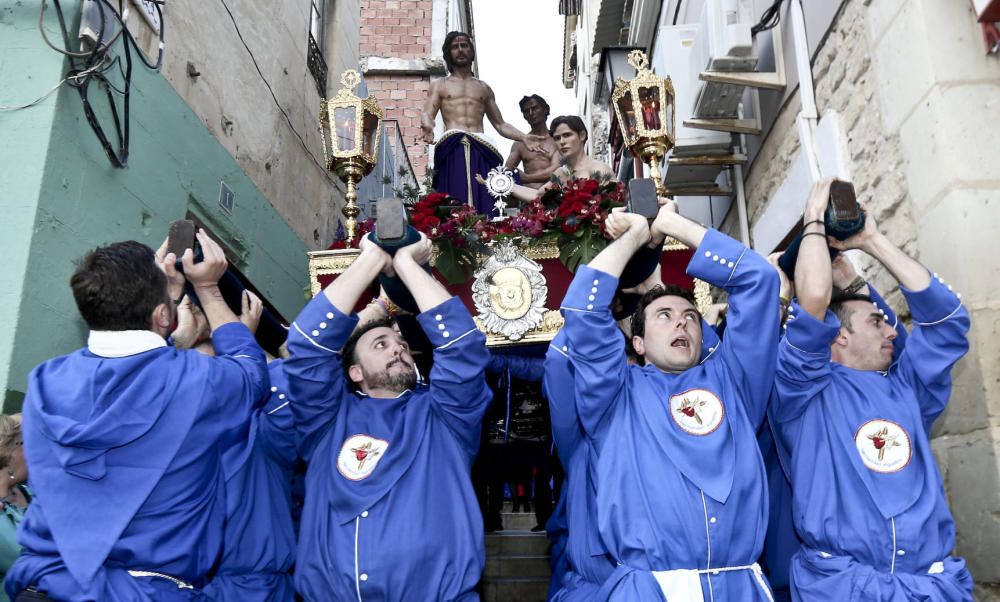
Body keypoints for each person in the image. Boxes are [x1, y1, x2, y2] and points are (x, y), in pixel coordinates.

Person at [5, 233, 269, 600]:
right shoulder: (198, 381)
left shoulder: (46, 381)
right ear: (163, 315)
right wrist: (207, 288)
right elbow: (250, 373)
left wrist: (167, 302)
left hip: (43, 585)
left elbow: (137, 372)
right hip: (142, 591)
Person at [555, 200, 780, 599]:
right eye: (664, 315)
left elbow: (759, 279)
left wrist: (672, 223)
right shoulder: (615, 397)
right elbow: (583, 311)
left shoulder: (734, 383)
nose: (681, 321)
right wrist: (635, 237)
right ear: (637, 343)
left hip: (739, 587)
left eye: (690, 316)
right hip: (649, 590)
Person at [772, 178, 974, 600]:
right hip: (845, 588)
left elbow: (948, 323)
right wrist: (812, 222)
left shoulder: (907, 389)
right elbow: (812, 302)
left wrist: (872, 241)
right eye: (876, 320)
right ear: (837, 338)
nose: (890, 328)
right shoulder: (803, 394)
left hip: (929, 587)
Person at [284, 232, 493, 600]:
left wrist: (409, 267)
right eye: (380, 344)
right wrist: (371, 259)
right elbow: (306, 346)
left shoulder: (446, 418)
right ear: (355, 372)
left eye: (402, 346)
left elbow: (462, 346)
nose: (398, 349)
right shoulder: (326, 422)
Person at [174, 290, 297, 602]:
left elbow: (296, 385)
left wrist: (242, 346)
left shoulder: (260, 422)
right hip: (181, 586)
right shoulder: (161, 422)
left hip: (258, 588)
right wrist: (239, 344)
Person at [421, 31, 547, 214]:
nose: (460, 50)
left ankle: (486, 232)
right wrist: (427, 125)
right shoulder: (440, 85)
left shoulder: (484, 88)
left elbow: (500, 124)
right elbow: (427, 113)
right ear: (448, 53)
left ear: (472, 51)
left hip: (481, 148)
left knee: (486, 194)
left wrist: (524, 137)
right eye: (455, 47)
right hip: (453, 145)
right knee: (454, 195)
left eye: (464, 45)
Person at [503, 95, 560, 189]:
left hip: (555, 196)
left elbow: (557, 170)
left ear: (545, 110)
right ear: (524, 116)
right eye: (526, 111)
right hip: (528, 198)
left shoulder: (557, 139)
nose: (531, 113)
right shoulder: (519, 144)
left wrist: (527, 178)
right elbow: (507, 172)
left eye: (534, 108)